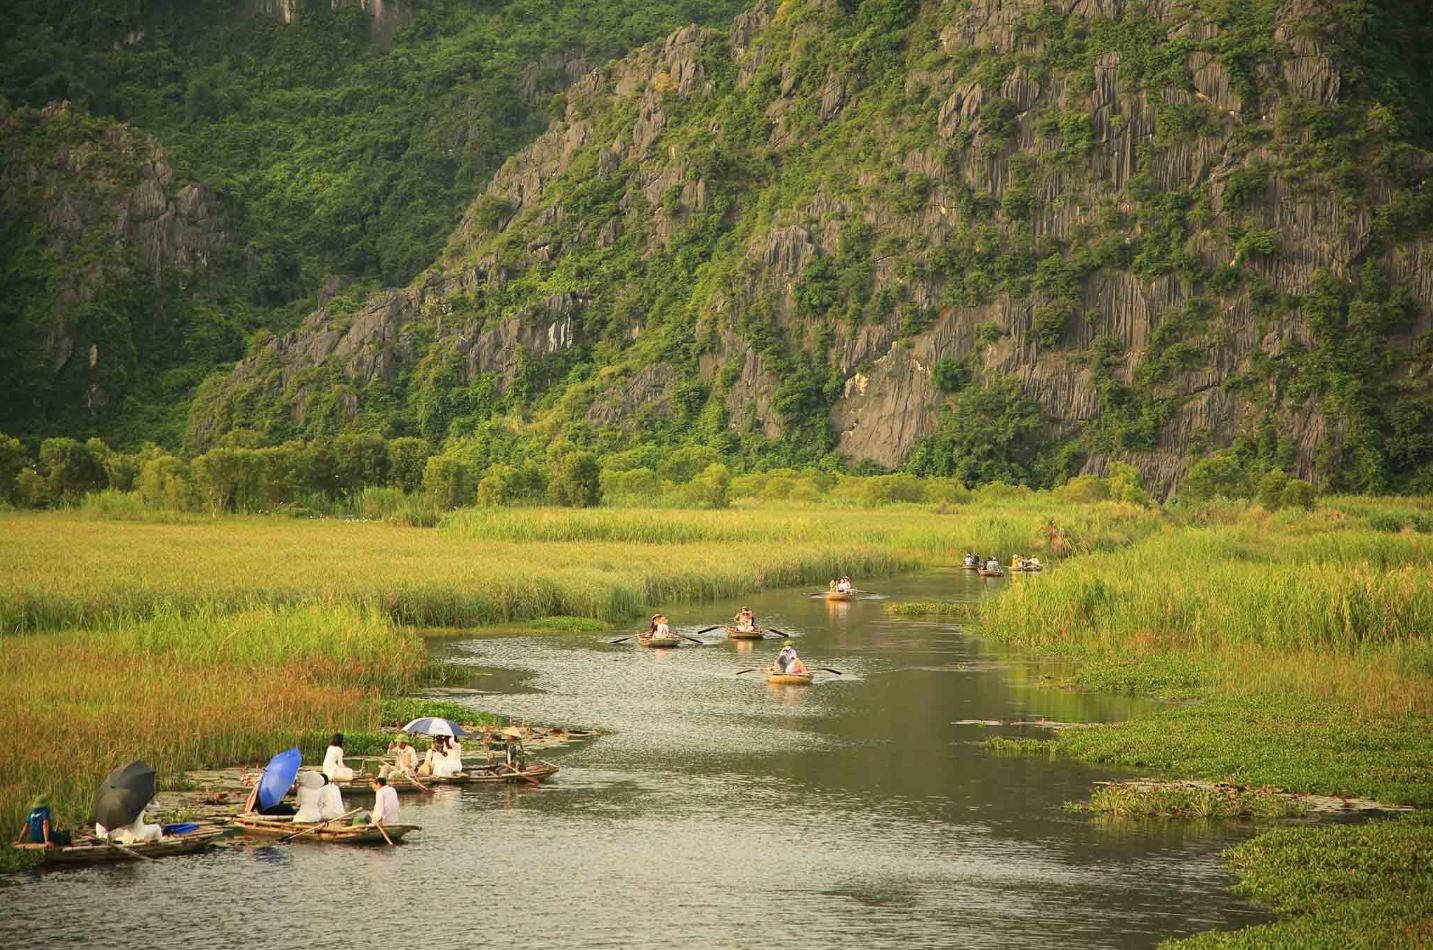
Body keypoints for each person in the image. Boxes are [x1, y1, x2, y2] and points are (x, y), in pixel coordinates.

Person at [97, 811, 162, 844]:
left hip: (123, 837)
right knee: (157, 827)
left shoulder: (120, 810)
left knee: (119, 831)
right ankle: (161, 842)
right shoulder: (139, 806)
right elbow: (156, 807)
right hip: (138, 835)